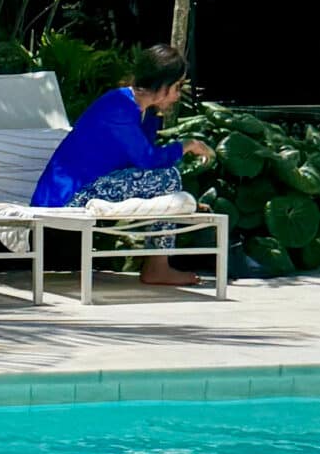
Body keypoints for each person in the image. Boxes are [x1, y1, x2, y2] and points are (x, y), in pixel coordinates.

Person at [29, 42, 217, 288]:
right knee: (168, 176)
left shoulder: (138, 110)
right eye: (177, 87)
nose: (178, 95)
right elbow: (148, 160)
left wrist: (155, 115)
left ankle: (158, 265)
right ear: (161, 85)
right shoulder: (119, 106)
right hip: (69, 197)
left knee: (165, 177)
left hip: (90, 187)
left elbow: (138, 160)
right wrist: (187, 145)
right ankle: (157, 266)